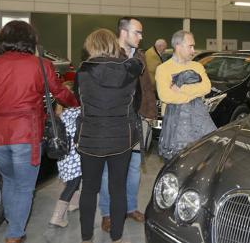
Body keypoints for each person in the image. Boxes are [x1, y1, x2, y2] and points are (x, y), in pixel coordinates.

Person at [0, 20, 78, 243]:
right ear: (31, 40)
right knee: (24, 187)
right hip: (27, 136)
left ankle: (12, 222)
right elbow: (61, 93)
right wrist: (76, 103)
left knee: (9, 181)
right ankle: (14, 235)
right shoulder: (40, 65)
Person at [75, 28, 143, 243]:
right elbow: (136, 103)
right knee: (118, 189)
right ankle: (117, 237)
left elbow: (79, 101)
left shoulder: (82, 73)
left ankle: (86, 237)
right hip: (121, 138)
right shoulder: (130, 72)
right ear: (113, 45)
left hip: (89, 139)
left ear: (91, 46)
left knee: (89, 189)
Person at [99, 17, 156, 232]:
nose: (141, 37)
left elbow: (147, 87)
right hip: (113, 122)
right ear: (123, 32)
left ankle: (130, 207)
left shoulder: (139, 56)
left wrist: (149, 114)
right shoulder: (108, 55)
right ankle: (107, 213)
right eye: (137, 32)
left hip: (136, 120)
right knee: (109, 171)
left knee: (133, 168)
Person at [156, 30, 215, 161]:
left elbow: (206, 87)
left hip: (198, 125)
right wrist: (190, 96)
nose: (193, 50)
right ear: (178, 46)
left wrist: (180, 88)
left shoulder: (197, 66)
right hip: (175, 129)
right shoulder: (163, 69)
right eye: (190, 46)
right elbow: (165, 95)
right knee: (177, 165)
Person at [49, 82, 81, 228]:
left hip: (63, 154)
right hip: (73, 154)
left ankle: (73, 204)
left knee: (71, 181)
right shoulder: (74, 112)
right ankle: (57, 217)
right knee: (73, 183)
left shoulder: (57, 114)